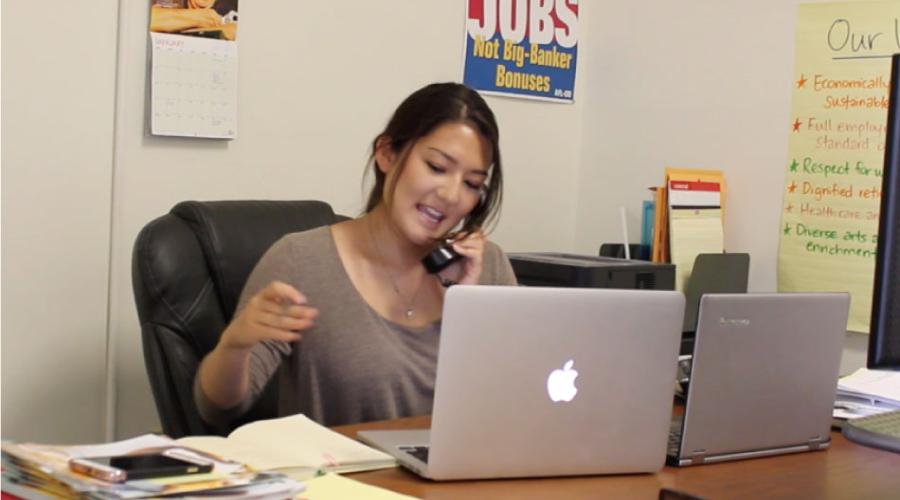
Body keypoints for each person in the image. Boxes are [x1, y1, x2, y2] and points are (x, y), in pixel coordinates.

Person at [194, 82, 518, 428]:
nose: (452, 195)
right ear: (387, 154)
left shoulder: (486, 267)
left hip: (462, 479)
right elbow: (219, 408)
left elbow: (519, 401)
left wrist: (470, 310)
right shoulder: (300, 261)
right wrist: (234, 346)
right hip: (341, 478)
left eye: (472, 184)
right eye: (437, 167)